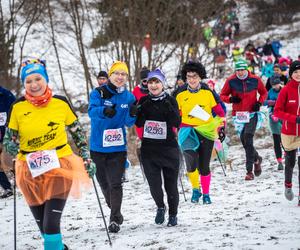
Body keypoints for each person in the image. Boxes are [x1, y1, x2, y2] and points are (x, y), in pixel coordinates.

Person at [3, 58, 95, 250]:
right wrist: (9, 147)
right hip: (29, 169)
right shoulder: (18, 107)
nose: (34, 84)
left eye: (38, 79)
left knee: (51, 224)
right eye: (28, 81)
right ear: (24, 83)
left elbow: (78, 134)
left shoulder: (60, 103)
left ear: (46, 79)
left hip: (60, 164)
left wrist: (86, 157)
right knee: (43, 228)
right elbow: (9, 138)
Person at [88, 61, 137, 233]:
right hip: (98, 147)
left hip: (117, 147)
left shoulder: (129, 97)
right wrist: (103, 111)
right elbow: (91, 112)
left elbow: (128, 122)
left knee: (116, 183)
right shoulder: (98, 93)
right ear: (110, 75)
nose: (120, 77)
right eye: (117, 73)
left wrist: (132, 114)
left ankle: (114, 218)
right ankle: (115, 209)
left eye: (123, 74)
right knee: (104, 184)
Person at [135, 69, 181, 226]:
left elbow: (177, 122)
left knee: (171, 185)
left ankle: (173, 215)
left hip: (169, 149)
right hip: (149, 150)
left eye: (157, 82)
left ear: (163, 84)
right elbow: (139, 123)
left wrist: (169, 108)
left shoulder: (171, 100)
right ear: (147, 84)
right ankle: (160, 207)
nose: (154, 85)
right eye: (151, 82)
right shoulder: (143, 101)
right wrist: (135, 112)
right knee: (154, 185)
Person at [176, 61, 225, 204]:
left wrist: (221, 127)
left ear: (200, 77)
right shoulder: (180, 95)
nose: (191, 79)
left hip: (205, 131)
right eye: (188, 76)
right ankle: (195, 189)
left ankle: (206, 194)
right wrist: (173, 128)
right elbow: (175, 115)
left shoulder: (207, 93)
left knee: (204, 166)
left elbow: (220, 112)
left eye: (194, 76)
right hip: (187, 132)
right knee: (191, 163)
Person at [220, 59, 267, 180]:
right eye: (238, 70)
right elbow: (222, 96)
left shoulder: (255, 79)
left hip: (252, 113)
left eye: (242, 70)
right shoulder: (231, 81)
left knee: (248, 137)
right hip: (239, 115)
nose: (240, 72)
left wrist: (259, 103)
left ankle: (249, 171)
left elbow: (264, 93)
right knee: (244, 141)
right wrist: (231, 100)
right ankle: (256, 159)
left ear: (247, 69)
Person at [274, 60, 300, 206]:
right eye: (295, 72)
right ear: (291, 74)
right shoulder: (285, 90)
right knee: (290, 162)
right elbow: (277, 111)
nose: (298, 74)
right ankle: (288, 185)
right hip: (289, 132)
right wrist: (294, 119)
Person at [264, 76, 283, 170]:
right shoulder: (270, 91)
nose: (275, 86)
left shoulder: (285, 90)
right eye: (273, 85)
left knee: (285, 138)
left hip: (284, 116)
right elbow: (264, 102)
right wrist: (269, 102)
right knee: (276, 139)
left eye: (277, 84)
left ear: (280, 83)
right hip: (273, 116)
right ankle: (279, 161)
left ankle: (288, 156)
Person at [0, 85, 15, 198]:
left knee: (12, 161)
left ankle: (26, 182)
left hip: (8, 134)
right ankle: (7, 188)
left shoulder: (5, 94)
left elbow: (16, 110)